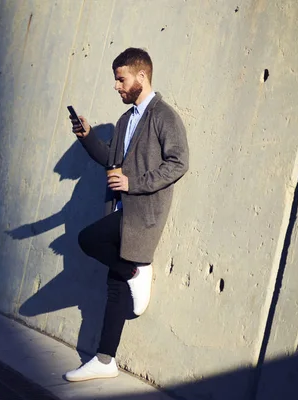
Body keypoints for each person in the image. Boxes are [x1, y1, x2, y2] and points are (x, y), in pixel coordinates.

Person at [65, 48, 189, 381]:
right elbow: (111, 159)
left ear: (141, 76)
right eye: (116, 80)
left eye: (121, 79)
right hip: (120, 208)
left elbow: (178, 163)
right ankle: (105, 360)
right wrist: (88, 137)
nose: (117, 86)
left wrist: (133, 183)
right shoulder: (125, 120)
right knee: (114, 286)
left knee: (87, 238)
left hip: (142, 213)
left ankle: (136, 271)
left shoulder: (164, 116)